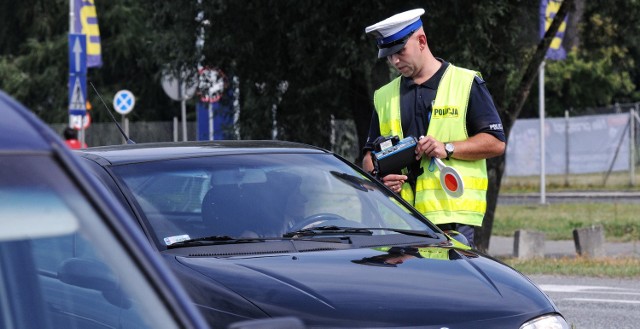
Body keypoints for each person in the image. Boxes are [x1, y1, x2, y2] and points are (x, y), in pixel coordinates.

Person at [361, 8, 506, 247]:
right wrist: (380, 177)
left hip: (451, 220)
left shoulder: (466, 82)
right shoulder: (384, 96)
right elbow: (367, 159)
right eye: (388, 55)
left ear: (421, 41)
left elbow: (496, 142)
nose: (394, 61)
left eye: (399, 52)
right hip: (399, 219)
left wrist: (446, 148)